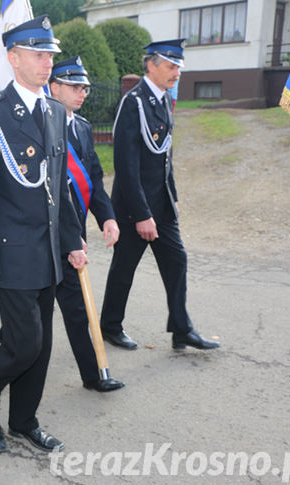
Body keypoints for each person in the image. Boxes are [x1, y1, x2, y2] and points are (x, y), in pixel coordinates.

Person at [0, 16, 88, 454]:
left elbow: (59, 187)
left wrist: (72, 239)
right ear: (13, 59)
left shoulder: (55, 111)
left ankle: (24, 420)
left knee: (43, 345)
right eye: (38, 54)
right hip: (10, 250)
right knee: (24, 343)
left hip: (48, 251)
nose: (47, 62)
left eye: (50, 54)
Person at [100, 39, 220, 351]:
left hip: (161, 204)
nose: (177, 72)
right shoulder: (134, 103)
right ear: (151, 65)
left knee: (176, 261)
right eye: (171, 65)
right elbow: (126, 167)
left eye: (178, 66)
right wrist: (141, 215)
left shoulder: (164, 100)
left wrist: (171, 195)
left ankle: (182, 329)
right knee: (124, 268)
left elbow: (164, 156)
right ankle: (110, 326)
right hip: (133, 207)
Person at [48, 57, 124, 392]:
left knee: (76, 307)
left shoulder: (81, 127)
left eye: (84, 87)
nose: (82, 93)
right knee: (33, 310)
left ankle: (93, 376)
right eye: (74, 86)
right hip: (42, 234)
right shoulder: (39, 124)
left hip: (71, 234)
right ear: (54, 87)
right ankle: (12, 340)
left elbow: (91, 177)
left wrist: (106, 215)